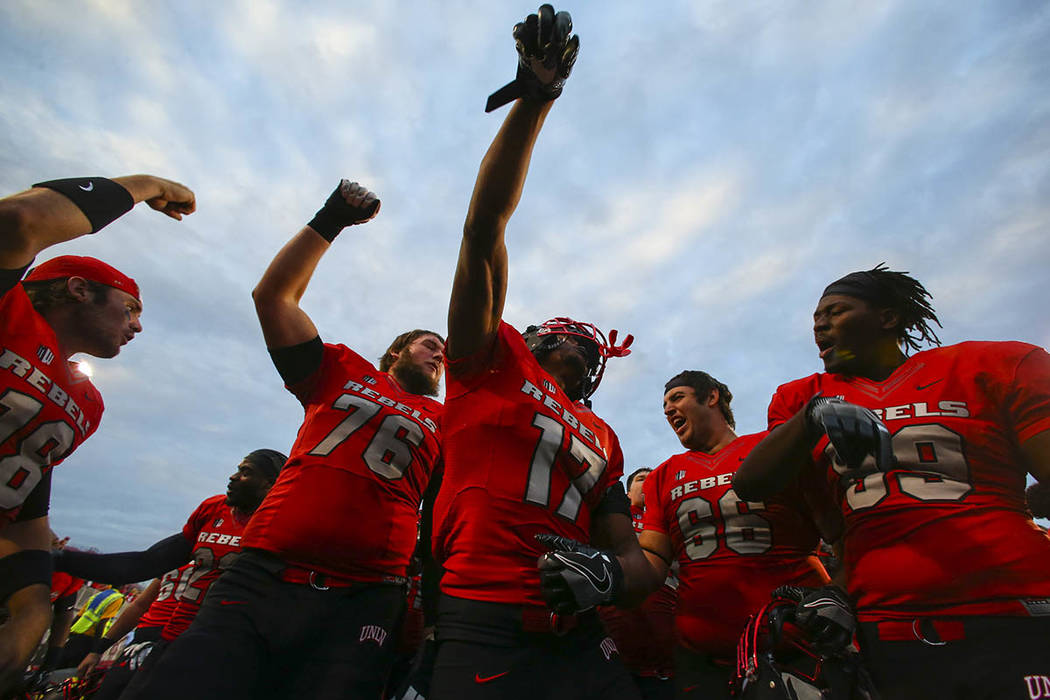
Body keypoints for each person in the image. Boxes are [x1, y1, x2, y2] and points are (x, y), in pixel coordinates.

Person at [121, 181, 445, 700]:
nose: (438, 356)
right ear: (396, 352)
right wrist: (332, 218)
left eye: (443, 355)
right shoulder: (343, 370)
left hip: (367, 594)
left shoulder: (444, 417)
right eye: (429, 345)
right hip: (266, 572)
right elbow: (272, 296)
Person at [429, 7, 653, 699]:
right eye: (571, 340)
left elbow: (633, 557)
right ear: (540, 339)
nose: (582, 351)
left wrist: (611, 578)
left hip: (580, 629)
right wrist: (538, 100)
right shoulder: (490, 361)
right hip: (482, 617)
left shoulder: (603, 434)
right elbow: (481, 228)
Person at [732, 264, 1050, 699]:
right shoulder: (802, 397)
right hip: (889, 623)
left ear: (888, 317)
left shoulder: (994, 364)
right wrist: (813, 415)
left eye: (836, 311)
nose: (820, 325)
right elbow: (752, 484)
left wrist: (1033, 500)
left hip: (1011, 609)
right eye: (815, 319)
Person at [0, 173, 195, 692]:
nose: (137, 327)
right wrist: (143, 185)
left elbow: (24, 503)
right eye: (130, 308)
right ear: (79, 289)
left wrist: (30, 613)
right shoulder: (8, 310)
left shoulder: (86, 402)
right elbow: (19, 220)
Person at [637, 371, 831, 699]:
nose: (668, 409)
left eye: (677, 398)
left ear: (711, 397)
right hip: (704, 661)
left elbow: (834, 529)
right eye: (664, 405)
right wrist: (610, 570)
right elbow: (652, 560)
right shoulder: (662, 476)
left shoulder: (771, 449)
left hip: (799, 648)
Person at [51, 449, 283, 694]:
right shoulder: (212, 510)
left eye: (245, 473)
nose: (233, 477)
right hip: (168, 636)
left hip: (222, 649)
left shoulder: (280, 524)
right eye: (238, 469)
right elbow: (143, 564)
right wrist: (57, 559)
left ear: (270, 483)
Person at [598, 467, 677, 700]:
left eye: (654, 479)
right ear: (628, 493)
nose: (650, 482)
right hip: (617, 632)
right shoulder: (612, 521)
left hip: (667, 637)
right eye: (643, 479)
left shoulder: (671, 524)